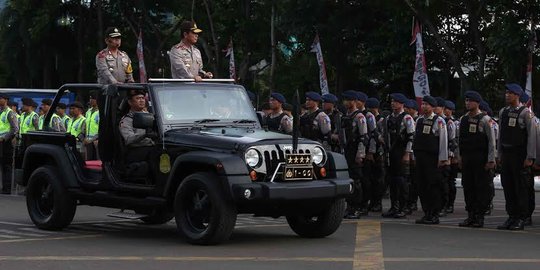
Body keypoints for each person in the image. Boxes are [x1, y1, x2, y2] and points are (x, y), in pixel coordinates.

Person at [497, 83, 536, 230]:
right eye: (506, 93)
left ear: (517, 95)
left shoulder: (526, 113)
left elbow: (532, 137)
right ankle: (511, 216)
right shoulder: (503, 112)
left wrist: (530, 157)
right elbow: (501, 135)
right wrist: (499, 154)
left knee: (521, 187)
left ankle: (521, 217)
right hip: (507, 154)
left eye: (510, 93)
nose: (507, 95)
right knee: (508, 186)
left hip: (520, 155)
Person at [457, 91, 496, 228]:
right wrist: (459, 157)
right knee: (468, 187)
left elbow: (491, 142)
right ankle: (471, 215)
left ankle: (479, 217)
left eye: (470, 101)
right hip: (467, 158)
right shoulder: (463, 119)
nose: (467, 103)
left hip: (480, 158)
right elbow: (459, 140)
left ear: (477, 103)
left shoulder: (485, 120)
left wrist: (491, 159)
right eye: (466, 100)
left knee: (481, 187)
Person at [414, 96, 448, 225]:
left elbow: (443, 141)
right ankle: (426, 212)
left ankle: (434, 214)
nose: (423, 107)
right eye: (422, 104)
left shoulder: (438, 121)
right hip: (421, 157)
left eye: (426, 104)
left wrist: (442, 158)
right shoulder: (419, 120)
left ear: (433, 107)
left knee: (433, 186)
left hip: (432, 158)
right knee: (422, 186)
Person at [382, 93, 415, 218]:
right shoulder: (389, 118)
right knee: (392, 180)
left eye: (395, 102)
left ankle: (403, 207)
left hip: (402, 151)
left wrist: (407, 153)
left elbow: (411, 137)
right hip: (391, 152)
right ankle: (393, 207)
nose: (393, 103)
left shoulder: (407, 118)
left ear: (402, 104)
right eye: (392, 101)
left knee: (402, 181)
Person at [338, 90, 368, 219]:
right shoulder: (345, 116)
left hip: (355, 150)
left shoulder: (359, 117)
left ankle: (357, 207)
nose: (345, 103)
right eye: (344, 100)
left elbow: (363, 137)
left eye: (348, 100)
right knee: (348, 179)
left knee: (356, 180)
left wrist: (360, 154)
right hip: (347, 149)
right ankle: (350, 206)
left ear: (354, 101)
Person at [119, 90, 158, 180]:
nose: (141, 100)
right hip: (137, 150)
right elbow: (128, 139)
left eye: (142, 98)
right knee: (156, 155)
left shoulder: (151, 116)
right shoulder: (127, 120)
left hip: (153, 146)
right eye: (137, 98)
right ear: (130, 102)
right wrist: (145, 134)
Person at [366, 97, 385, 212]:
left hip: (378, 152)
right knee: (370, 178)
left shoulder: (381, 120)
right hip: (371, 150)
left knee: (378, 179)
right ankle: (372, 201)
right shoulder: (369, 118)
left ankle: (377, 202)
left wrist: (372, 152)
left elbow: (377, 138)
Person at [0, 94, 19, 194]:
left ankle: (7, 188)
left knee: (7, 165)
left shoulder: (10, 113)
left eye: (1, 99)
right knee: (2, 165)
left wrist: (5, 137)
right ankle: (3, 187)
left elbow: (15, 128)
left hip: (6, 142)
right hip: (1, 142)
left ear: (6, 100)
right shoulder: (1, 112)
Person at [443, 100, 459, 214]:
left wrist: (454, 155)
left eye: (448, 109)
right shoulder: (442, 120)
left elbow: (455, 141)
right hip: (444, 154)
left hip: (453, 155)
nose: (446, 111)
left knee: (450, 181)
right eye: (445, 108)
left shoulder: (454, 123)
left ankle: (450, 204)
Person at [404, 99, 419, 212]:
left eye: (408, 108)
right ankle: (408, 202)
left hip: (415, 154)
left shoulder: (418, 120)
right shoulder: (405, 119)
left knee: (414, 181)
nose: (406, 110)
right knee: (408, 180)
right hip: (408, 153)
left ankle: (412, 202)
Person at [85, 92, 100, 160]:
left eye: (93, 98)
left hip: (97, 141)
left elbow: (102, 128)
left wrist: (94, 139)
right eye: (90, 98)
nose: (91, 100)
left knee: (97, 160)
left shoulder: (101, 112)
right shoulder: (88, 112)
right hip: (88, 141)